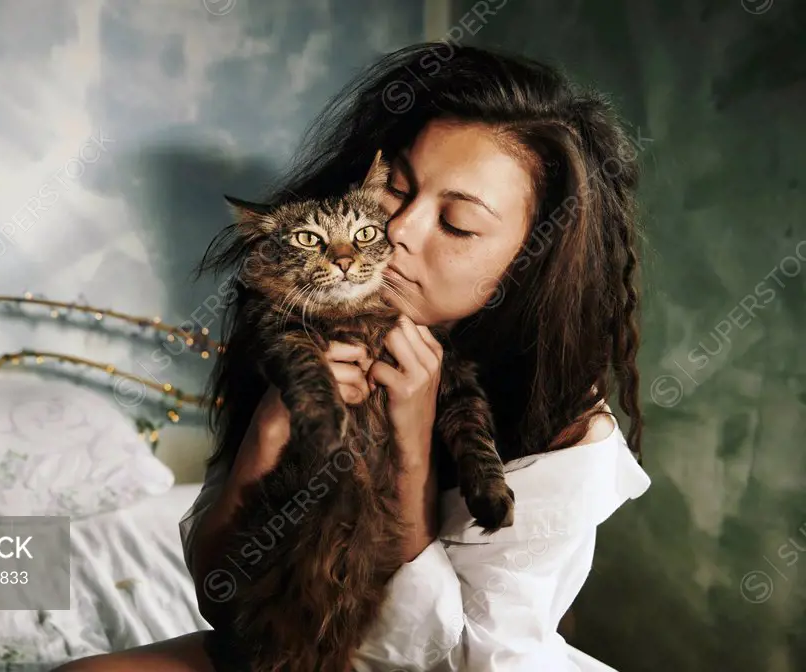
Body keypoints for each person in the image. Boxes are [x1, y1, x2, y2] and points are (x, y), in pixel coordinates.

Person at [55, 41, 651, 672]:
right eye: (396, 188)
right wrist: (267, 432)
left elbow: (449, 657)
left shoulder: (570, 436)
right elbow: (220, 594)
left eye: (456, 223)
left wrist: (414, 449)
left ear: (532, 262)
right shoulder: (303, 327)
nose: (397, 232)